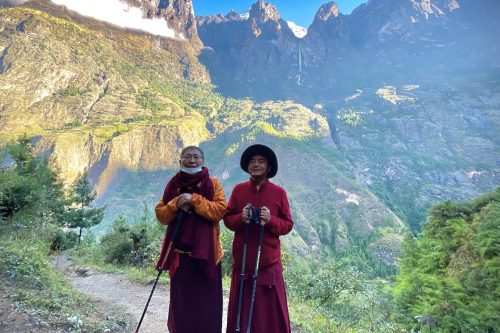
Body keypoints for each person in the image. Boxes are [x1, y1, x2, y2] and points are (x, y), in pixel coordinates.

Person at [155, 146, 226, 333]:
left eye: (196, 157)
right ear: (180, 161)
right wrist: (176, 203)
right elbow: (162, 215)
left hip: (208, 255)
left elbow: (219, 211)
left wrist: (193, 200)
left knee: (208, 304)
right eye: (187, 157)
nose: (192, 161)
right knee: (182, 304)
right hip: (181, 255)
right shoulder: (173, 184)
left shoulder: (213, 183)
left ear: (203, 161)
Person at [224, 144, 293, 333]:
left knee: (267, 315)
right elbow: (228, 220)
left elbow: (287, 224)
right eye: (252, 161)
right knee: (241, 310)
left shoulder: (279, 193)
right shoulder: (238, 190)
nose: (256, 165)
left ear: (269, 168)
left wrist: (270, 221)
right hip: (243, 263)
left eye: (261, 161)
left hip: (267, 265)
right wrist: (241, 218)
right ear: (247, 166)